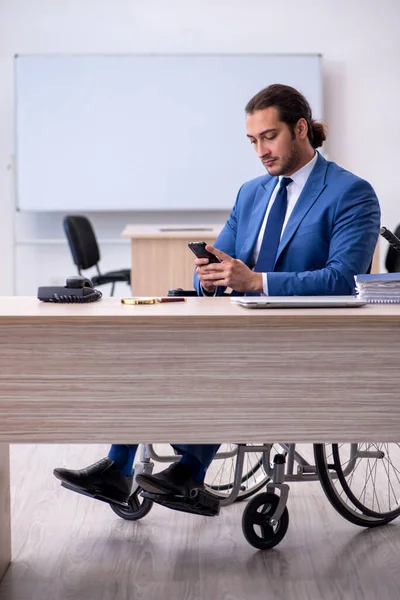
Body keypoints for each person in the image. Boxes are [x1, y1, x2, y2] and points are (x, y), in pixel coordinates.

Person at [54, 83, 380, 510]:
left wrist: (257, 281)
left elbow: (344, 278)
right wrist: (210, 274)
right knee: (146, 343)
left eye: (269, 137)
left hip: (303, 336)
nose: (261, 150)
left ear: (301, 129)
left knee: (217, 354)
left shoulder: (350, 192)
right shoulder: (252, 193)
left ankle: (189, 470)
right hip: (240, 322)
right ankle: (119, 469)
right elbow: (225, 261)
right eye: (253, 141)